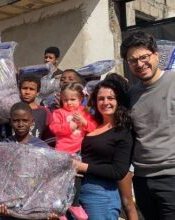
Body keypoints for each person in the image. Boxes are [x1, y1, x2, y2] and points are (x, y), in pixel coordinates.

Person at [122, 31, 175, 220]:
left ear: (156, 54)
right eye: (132, 60)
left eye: (144, 57)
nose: (140, 64)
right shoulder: (131, 95)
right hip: (142, 180)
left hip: (171, 177)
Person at [73, 79, 133, 219]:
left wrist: (82, 166)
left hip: (101, 195)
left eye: (110, 98)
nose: (105, 102)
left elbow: (118, 171)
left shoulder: (122, 131)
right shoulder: (94, 126)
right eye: (101, 99)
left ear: (118, 101)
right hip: (79, 191)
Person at [49, 82, 96, 220]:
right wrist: (71, 125)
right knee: (62, 181)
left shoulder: (84, 112)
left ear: (81, 98)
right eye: (65, 100)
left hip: (79, 151)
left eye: (73, 99)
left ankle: (74, 204)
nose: (69, 103)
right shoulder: (58, 112)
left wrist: (85, 122)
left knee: (77, 179)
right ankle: (61, 210)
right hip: (63, 152)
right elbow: (54, 128)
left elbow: (94, 129)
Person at [0, 102, 49, 220]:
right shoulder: (3, 147)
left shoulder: (42, 147)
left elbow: (47, 180)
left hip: (34, 208)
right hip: (9, 208)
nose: (20, 124)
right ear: (10, 122)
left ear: (32, 122)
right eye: (16, 120)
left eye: (25, 120)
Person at [104, 73, 138, 220]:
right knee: (125, 202)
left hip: (122, 162)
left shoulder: (125, 114)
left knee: (126, 202)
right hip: (113, 162)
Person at [18, 75, 53, 143]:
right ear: (19, 90)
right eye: (24, 88)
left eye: (32, 89)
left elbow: (49, 135)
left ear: (37, 93)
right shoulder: (13, 110)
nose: (27, 92)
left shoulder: (44, 112)